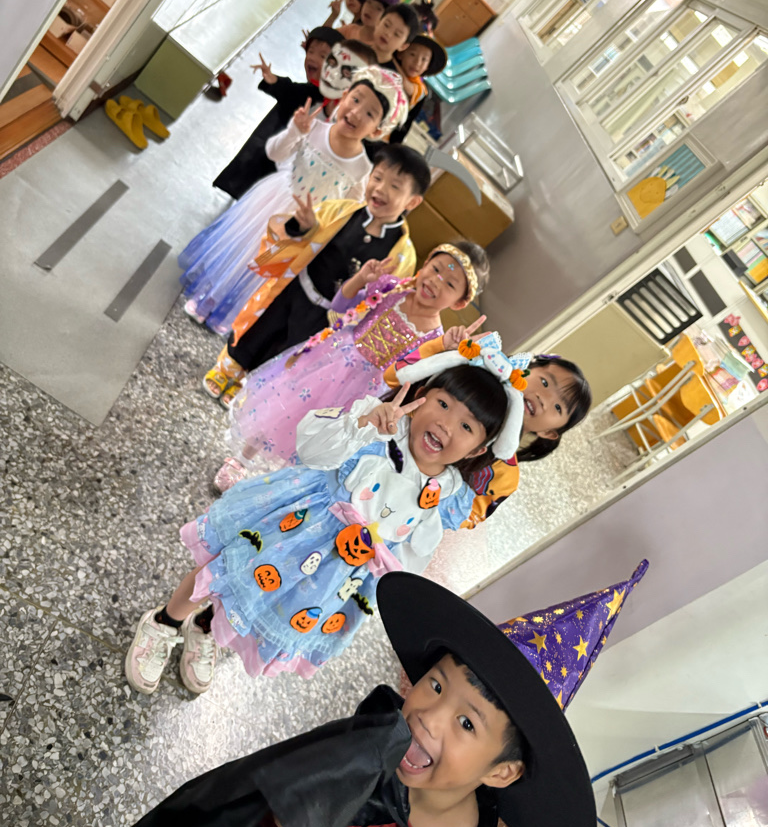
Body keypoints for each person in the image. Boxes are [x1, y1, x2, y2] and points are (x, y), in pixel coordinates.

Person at [126, 566, 637, 827]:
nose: (428, 716)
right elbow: (258, 803)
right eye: (435, 684)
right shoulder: (370, 745)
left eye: (467, 723)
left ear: (502, 770)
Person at [124, 334, 530, 692]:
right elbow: (311, 450)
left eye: (467, 427)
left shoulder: (448, 495)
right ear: (422, 393)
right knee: (225, 571)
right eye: (442, 403)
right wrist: (361, 424)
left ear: (479, 449)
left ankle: (205, 628)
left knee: (260, 601)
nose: (446, 424)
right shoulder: (377, 427)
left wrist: (384, 575)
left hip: (335, 574)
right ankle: (165, 622)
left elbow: (412, 556)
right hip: (292, 526)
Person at [214, 239, 490, 490]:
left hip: (364, 393)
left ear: (459, 302)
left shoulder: (435, 339)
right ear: (425, 263)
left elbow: (409, 374)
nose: (436, 281)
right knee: (282, 408)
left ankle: (277, 485)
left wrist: (445, 351)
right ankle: (242, 460)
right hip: (331, 362)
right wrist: (360, 279)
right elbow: (339, 307)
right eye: (436, 269)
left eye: (450, 284)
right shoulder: (392, 288)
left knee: (320, 436)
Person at [182, 66, 408, 345]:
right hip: (274, 203)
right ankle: (208, 298)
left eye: (370, 113)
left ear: (378, 129)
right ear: (344, 96)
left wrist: (317, 225)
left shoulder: (363, 169)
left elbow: (346, 213)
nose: (357, 112)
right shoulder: (313, 127)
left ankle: (230, 315)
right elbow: (274, 153)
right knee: (246, 252)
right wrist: (294, 131)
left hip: (306, 228)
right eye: (356, 99)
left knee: (268, 271)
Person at [385, 341, 592, 527]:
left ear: (549, 433)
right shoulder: (459, 388)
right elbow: (396, 377)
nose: (542, 398)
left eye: (558, 407)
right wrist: (443, 347)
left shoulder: (504, 477)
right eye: (545, 382)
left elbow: (459, 518)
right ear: (525, 369)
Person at [210, 26, 341, 202]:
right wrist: (273, 81)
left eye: (323, 56)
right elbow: (291, 90)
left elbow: (292, 91)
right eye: (310, 52)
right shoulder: (312, 90)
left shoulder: (329, 97)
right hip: (276, 141)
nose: (312, 58)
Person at [391, 34, 447, 145]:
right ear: (401, 53)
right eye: (412, 54)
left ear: (427, 66)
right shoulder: (386, 66)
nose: (417, 63)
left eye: (424, 60)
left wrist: (389, 58)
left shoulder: (421, 89)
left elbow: (406, 85)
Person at [346, 3, 421, 67]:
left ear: (403, 46)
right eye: (386, 25)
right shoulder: (353, 49)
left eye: (396, 34)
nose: (388, 34)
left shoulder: (390, 77)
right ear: (378, 23)